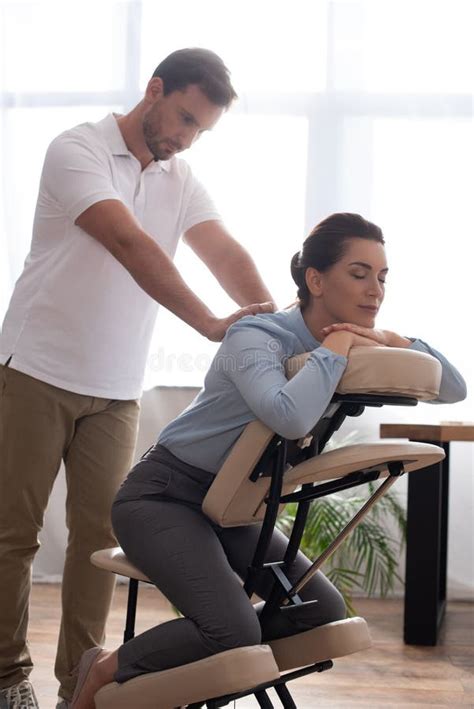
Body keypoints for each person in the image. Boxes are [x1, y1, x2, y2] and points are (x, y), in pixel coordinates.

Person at [69, 212, 466, 708]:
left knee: (318, 610)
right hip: (165, 496)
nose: (376, 291)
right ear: (315, 280)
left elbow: (452, 387)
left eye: (382, 277)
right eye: (359, 274)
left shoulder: (365, 340)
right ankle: (107, 666)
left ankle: (225, 643)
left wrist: (393, 340)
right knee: (231, 629)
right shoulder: (256, 336)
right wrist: (337, 346)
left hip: (236, 506)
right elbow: (290, 416)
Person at [0, 48, 275, 709]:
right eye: (182, 118)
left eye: (200, 130)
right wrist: (211, 322)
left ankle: (78, 683)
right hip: (34, 369)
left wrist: (272, 326)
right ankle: (7, 677)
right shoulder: (78, 151)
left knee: (97, 542)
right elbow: (129, 245)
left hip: (117, 388)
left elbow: (223, 249)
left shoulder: (180, 178)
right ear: (153, 91)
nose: (185, 138)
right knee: (14, 531)